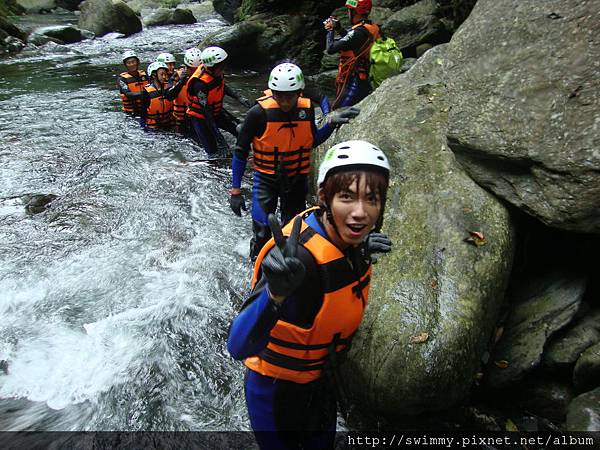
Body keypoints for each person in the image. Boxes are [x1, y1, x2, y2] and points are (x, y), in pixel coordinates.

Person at [228, 140, 393, 450]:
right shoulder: (299, 259)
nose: (360, 213)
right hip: (277, 393)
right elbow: (237, 346)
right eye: (346, 197)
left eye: (372, 199)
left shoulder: (352, 243)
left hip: (320, 381)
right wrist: (275, 294)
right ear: (324, 198)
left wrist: (356, 251)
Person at [229, 62, 360, 260]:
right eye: (278, 95)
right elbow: (240, 152)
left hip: (296, 181)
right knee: (263, 230)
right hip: (266, 181)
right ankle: (256, 271)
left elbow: (311, 141)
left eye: (289, 95)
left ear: (299, 93)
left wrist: (331, 123)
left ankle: (289, 268)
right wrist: (236, 191)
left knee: (294, 231)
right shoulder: (258, 114)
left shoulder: (306, 111)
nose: (283, 101)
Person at [186, 46, 253, 154]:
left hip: (216, 111)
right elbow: (207, 114)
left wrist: (239, 97)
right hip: (202, 118)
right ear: (211, 67)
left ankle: (247, 154)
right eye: (220, 67)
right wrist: (220, 138)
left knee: (240, 131)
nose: (223, 70)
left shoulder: (216, 72)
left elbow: (221, 86)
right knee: (213, 151)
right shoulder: (199, 84)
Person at [324, 0, 380, 109]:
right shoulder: (371, 27)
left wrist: (330, 30)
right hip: (366, 77)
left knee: (338, 110)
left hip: (355, 80)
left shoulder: (358, 31)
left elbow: (330, 49)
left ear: (355, 12)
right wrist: (339, 29)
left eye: (350, 10)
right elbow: (353, 41)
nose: (348, 13)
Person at [168, 48, 203, 135]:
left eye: (197, 69)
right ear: (187, 66)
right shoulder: (177, 76)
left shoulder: (205, 75)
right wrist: (181, 82)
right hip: (181, 120)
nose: (195, 72)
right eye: (192, 69)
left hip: (198, 118)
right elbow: (169, 96)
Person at [140, 61, 173, 131]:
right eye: (162, 74)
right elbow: (143, 114)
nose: (164, 77)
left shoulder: (169, 88)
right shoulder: (146, 92)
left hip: (168, 125)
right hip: (152, 128)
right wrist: (143, 129)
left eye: (165, 74)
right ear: (154, 75)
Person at [118, 50, 149, 116]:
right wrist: (144, 94)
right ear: (125, 65)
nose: (132, 64)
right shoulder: (122, 79)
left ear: (137, 62)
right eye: (129, 63)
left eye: (133, 62)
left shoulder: (145, 75)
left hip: (146, 109)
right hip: (131, 113)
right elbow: (128, 94)